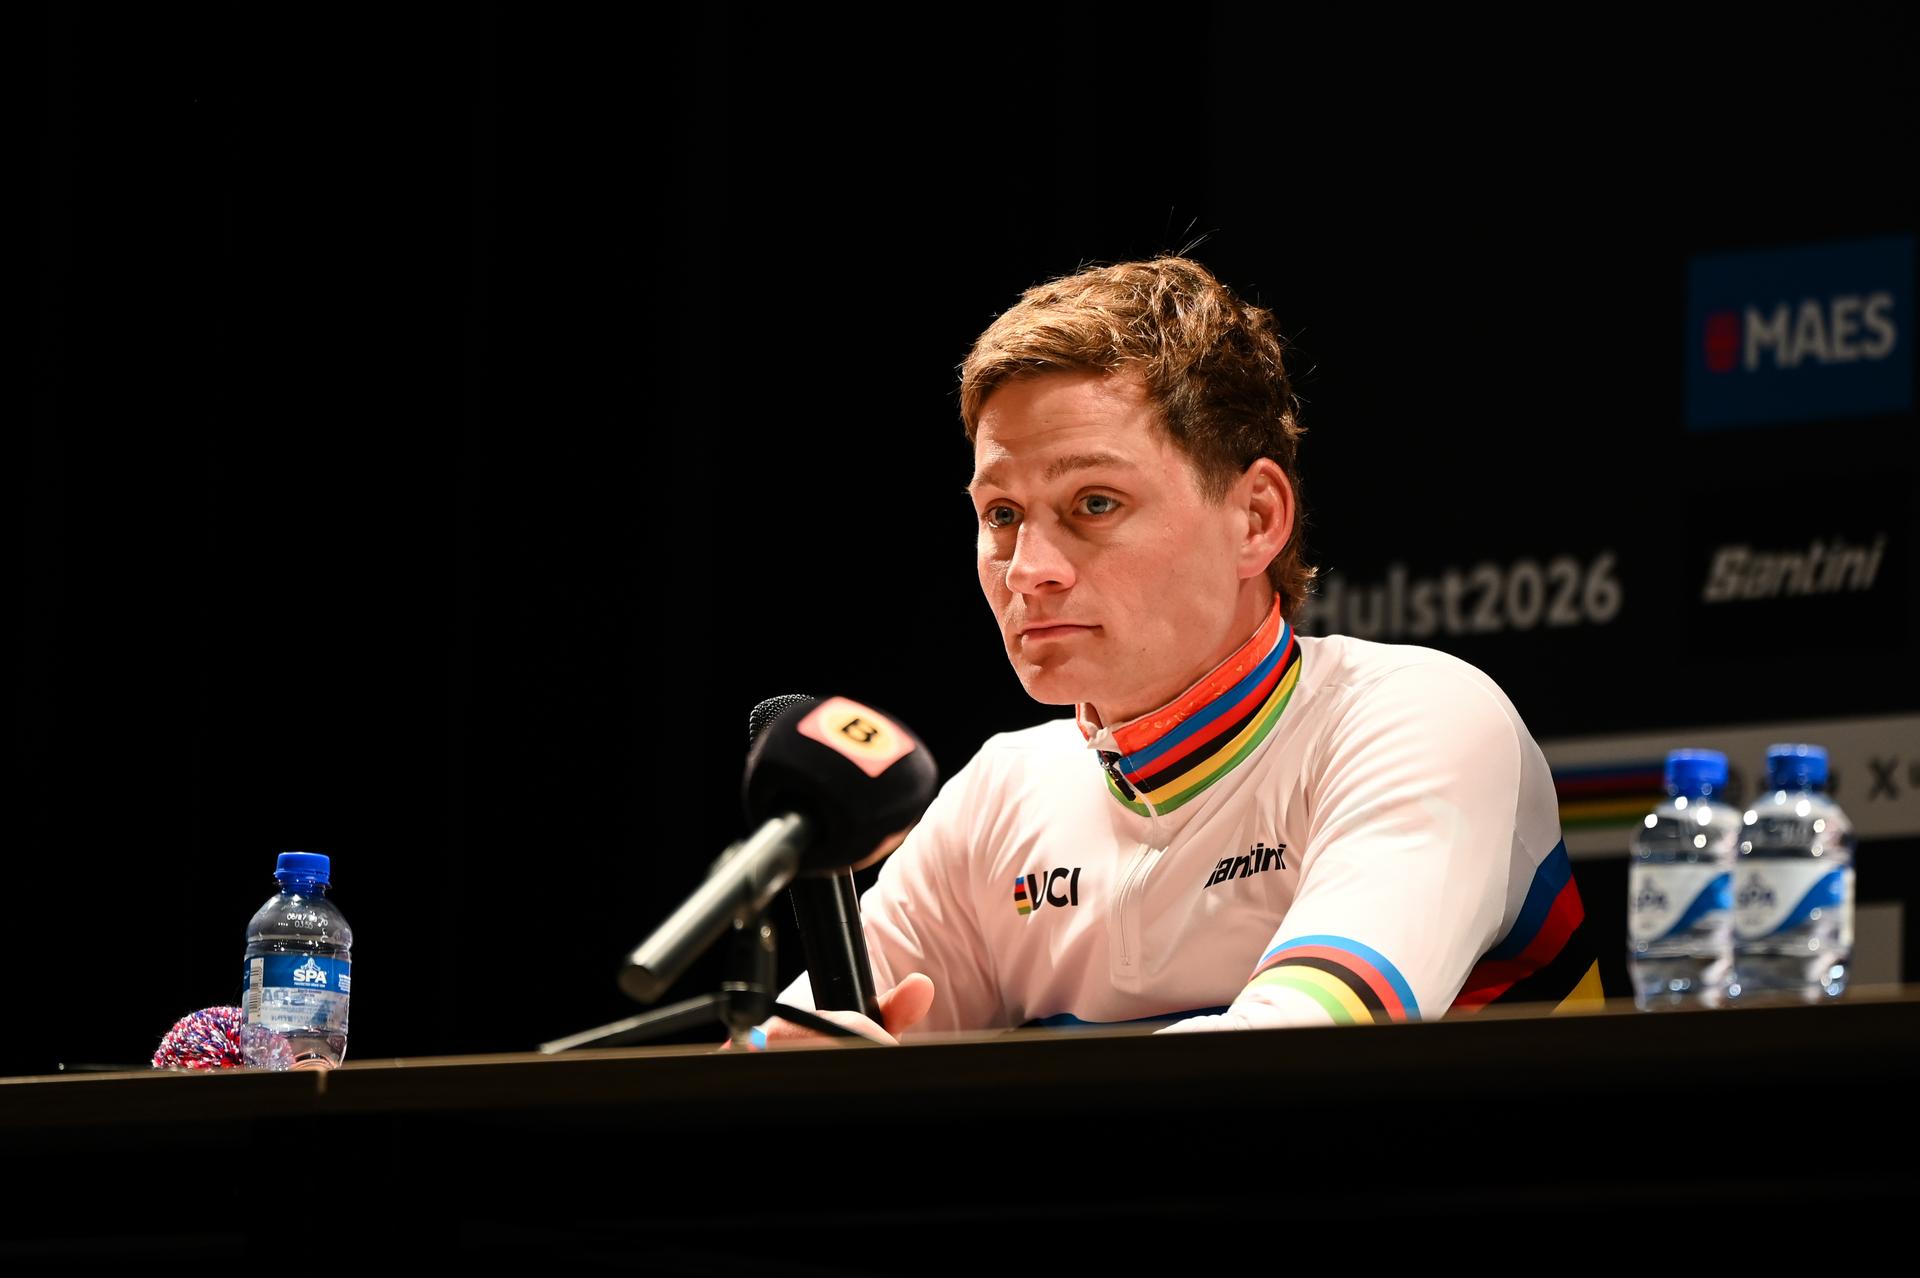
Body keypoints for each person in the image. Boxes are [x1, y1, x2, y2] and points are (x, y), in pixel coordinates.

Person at [764, 255, 1604, 1045]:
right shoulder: (999, 797)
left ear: (1257, 519)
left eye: (1094, 502)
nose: (1029, 571)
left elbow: (1276, 1070)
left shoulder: (1419, 718)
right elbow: (787, 1064)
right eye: (1001, 515)